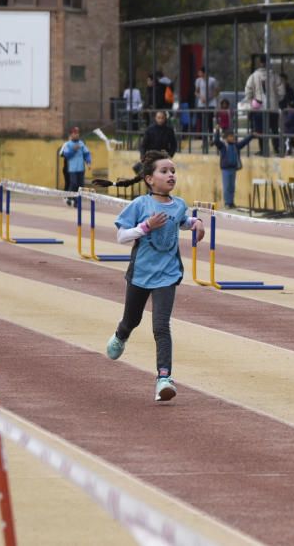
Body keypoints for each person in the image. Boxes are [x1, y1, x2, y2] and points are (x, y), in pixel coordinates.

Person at [103, 150, 205, 401]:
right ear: (149, 179)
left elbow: (180, 220)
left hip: (167, 275)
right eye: (164, 171)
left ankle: (164, 379)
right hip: (140, 273)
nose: (171, 175)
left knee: (161, 326)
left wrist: (196, 223)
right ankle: (121, 334)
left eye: (173, 171)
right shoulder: (140, 205)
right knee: (132, 320)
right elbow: (121, 236)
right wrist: (146, 226)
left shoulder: (179, 203)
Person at [244, 55, 285, 155]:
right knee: (274, 129)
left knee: (260, 131)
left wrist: (252, 102)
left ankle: (263, 150)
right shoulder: (275, 76)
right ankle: (276, 149)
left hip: (259, 108)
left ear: (260, 63)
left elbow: (248, 91)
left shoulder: (253, 76)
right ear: (268, 62)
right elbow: (282, 92)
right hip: (273, 108)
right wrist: (276, 100)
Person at [213, 126, 255, 209]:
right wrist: (217, 131)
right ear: (226, 137)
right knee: (227, 186)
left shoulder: (236, 145)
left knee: (232, 187)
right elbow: (216, 141)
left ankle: (231, 202)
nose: (232, 138)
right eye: (230, 136)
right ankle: (227, 203)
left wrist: (251, 136)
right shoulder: (223, 146)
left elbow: (244, 142)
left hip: (233, 169)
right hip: (226, 169)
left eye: (233, 136)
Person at [60, 126, 92, 206]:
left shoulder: (81, 143)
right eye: (74, 133)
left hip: (81, 168)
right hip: (72, 169)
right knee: (73, 183)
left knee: (80, 185)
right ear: (71, 135)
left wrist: (88, 162)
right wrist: (73, 149)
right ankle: (69, 197)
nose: (76, 135)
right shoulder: (68, 144)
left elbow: (86, 153)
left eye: (77, 133)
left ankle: (77, 202)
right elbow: (66, 155)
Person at [280, 73, 294, 155]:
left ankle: (290, 149)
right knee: (285, 133)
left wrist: (290, 106)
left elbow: (292, 100)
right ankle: (288, 149)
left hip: (289, 111)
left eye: (283, 80)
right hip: (283, 111)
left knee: (288, 134)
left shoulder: (290, 89)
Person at [194, 67, 219, 136]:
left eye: (200, 72)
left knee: (209, 120)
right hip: (201, 103)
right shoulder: (198, 80)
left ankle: (211, 136)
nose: (198, 74)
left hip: (211, 103)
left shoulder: (212, 80)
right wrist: (200, 97)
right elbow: (196, 92)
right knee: (202, 121)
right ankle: (203, 137)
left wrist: (209, 97)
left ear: (204, 72)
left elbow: (216, 91)